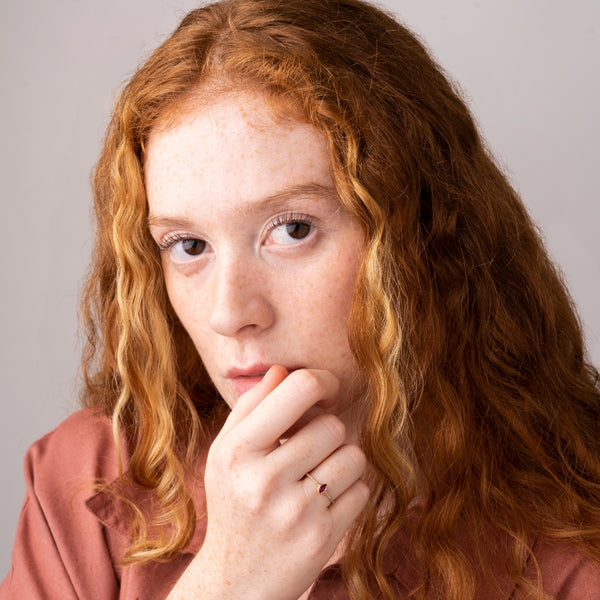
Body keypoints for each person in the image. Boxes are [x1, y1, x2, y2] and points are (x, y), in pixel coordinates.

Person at [2, 0, 600, 598]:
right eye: (188, 245)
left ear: (419, 237)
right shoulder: (85, 480)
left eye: (292, 229)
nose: (229, 312)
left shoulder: (574, 539)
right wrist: (228, 583)